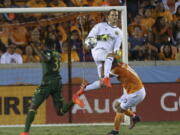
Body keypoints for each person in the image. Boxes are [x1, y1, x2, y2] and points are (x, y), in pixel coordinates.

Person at [19, 29, 84, 135]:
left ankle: (25, 132)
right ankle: (74, 99)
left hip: (47, 83)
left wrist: (35, 48)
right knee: (60, 111)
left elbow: (45, 58)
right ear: (54, 46)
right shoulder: (58, 54)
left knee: (33, 107)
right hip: (57, 83)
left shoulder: (47, 52)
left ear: (46, 46)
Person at [75, 57, 146, 135]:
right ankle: (135, 117)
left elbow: (103, 80)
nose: (106, 67)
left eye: (107, 65)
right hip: (133, 91)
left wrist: (100, 65)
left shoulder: (116, 70)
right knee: (117, 105)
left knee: (120, 109)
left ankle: (115, 131)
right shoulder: (121, 64)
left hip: (136, 93)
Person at [84, 9, 123, 88]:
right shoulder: (100, 26)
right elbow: (89, 38)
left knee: (102, 84)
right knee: (110, 56)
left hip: (106, 55)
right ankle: (107, 77)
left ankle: (82, 90)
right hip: (97, 51)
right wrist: (103, 37)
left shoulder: (119, 32)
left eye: (116, 15)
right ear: (108, 17)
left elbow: (116, 47)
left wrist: (117, 53)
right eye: (112, 15)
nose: (114, 17)